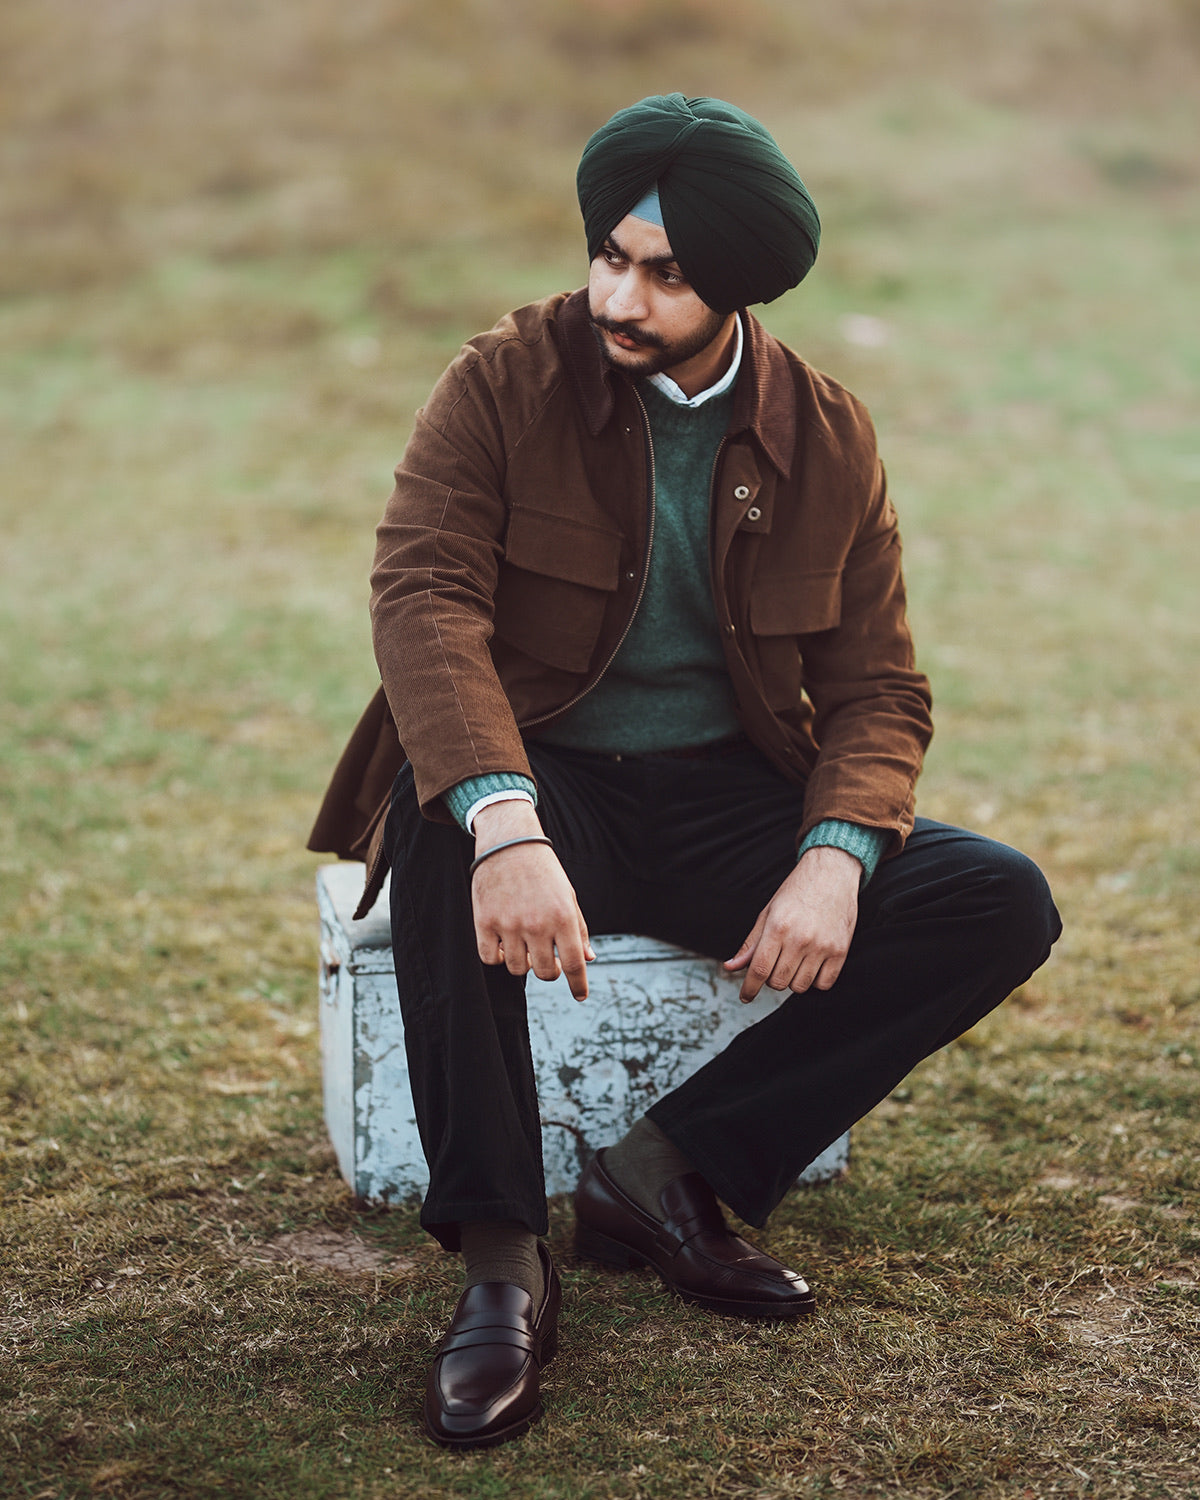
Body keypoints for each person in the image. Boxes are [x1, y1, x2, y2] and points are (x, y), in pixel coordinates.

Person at [308, 93, 1061, 1450]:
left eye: (663, 274)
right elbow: (423, 599)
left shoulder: (827, 434)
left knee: (997, 900)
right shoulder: (502, 380)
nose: (619, 294)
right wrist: (505, 819)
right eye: (610, 255)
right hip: (547, 775)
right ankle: (501, 1262)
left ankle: (664, 1171)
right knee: (438, 830)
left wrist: (836, 854)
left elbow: (878, 688)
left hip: (728, 793)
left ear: (737, 286)